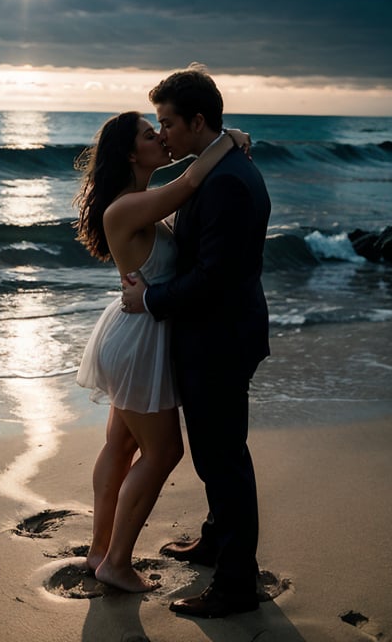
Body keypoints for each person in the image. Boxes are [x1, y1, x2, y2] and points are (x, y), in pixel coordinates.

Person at [74, 110, 249, 593]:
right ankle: (115, 563)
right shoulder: (127, 207)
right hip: (138, 340)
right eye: (152, 134)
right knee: (164, 450)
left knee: (121, 445)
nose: (161, 137)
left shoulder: (137, 200)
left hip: (135, 333)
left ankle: (98, 552)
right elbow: (192, 180)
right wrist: (229, 140)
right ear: (132, 153)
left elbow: (182, 181)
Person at [121, 65, 271, 617]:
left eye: (167, 123)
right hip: (221, 333)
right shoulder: (223, 165)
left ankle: (235, 585)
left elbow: (215, 277)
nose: (162, 134)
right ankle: (215, 541)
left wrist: (150, 300)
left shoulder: (228, 181)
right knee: (216, 453)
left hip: (220, 339)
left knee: (223, 458)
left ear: (197, 121)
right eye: (155, 126)